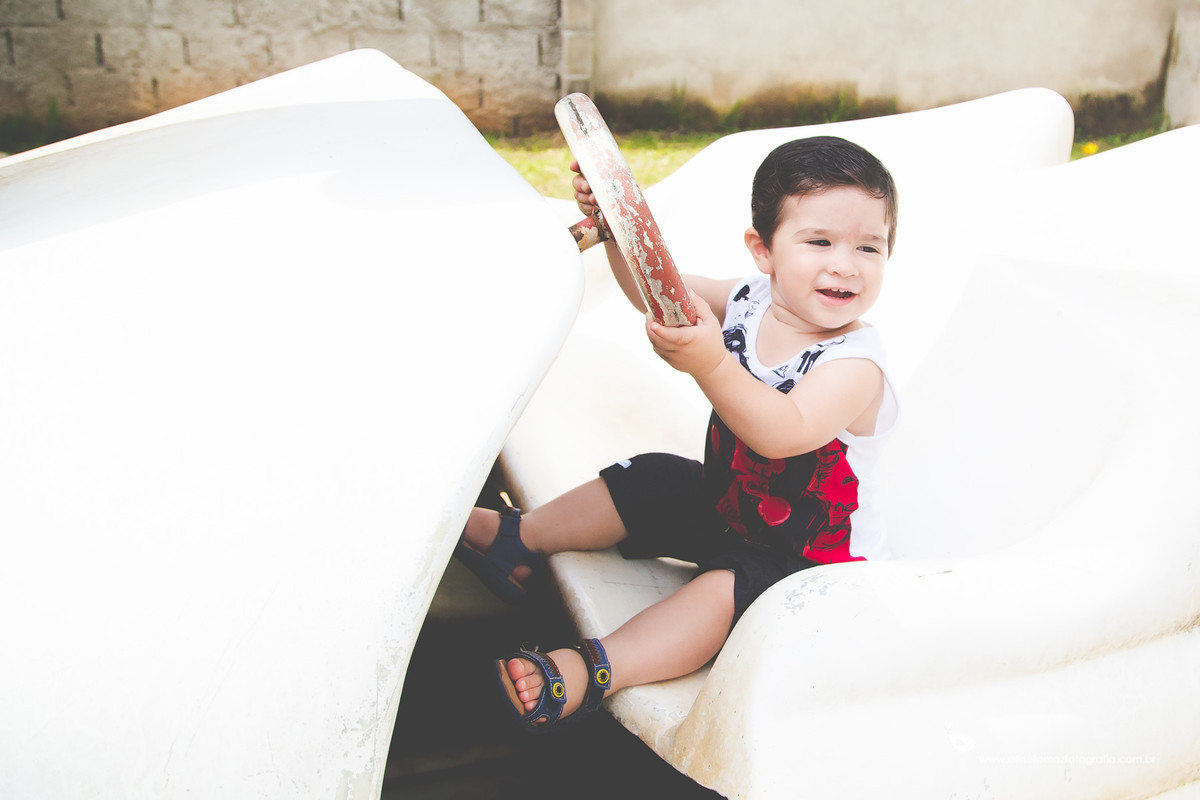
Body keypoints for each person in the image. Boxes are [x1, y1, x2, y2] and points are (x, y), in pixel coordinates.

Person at [455, 135, 900, 733]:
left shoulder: (854, 364)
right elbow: (657, 292)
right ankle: (518, 541)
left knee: (719, 592)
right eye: (819, 241)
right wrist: (620, 231)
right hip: (730, 508)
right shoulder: (749, 300)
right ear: (763, 250)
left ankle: (595, 668)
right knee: (656, 477)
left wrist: (711, 364)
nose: (845, 264)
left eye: (869, 247)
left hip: (805, 566)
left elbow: (783, 432)